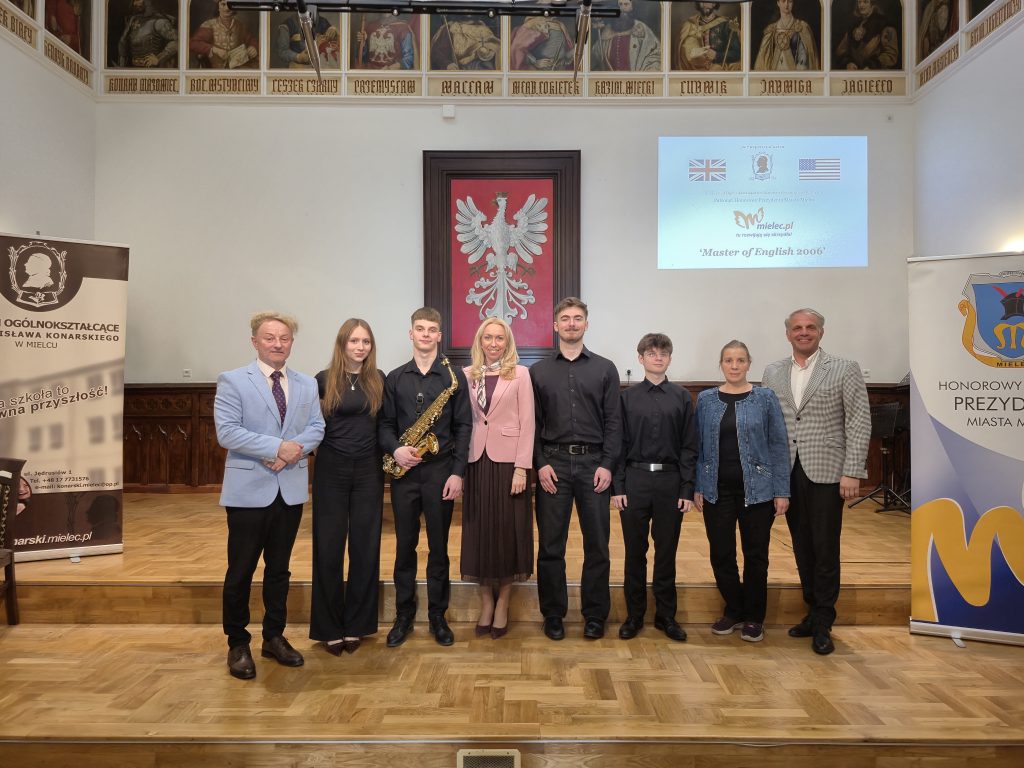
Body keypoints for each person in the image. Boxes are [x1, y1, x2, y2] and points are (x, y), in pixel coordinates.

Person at [214, 311, 324, 680]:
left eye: (284, 338)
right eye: (270, 337)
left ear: (291, 343)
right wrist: (278, 448)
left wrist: (293, 451)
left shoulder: (306, 383)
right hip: (248, 492)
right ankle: (237, 642)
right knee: (241, 570)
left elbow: (317, 427)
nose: (278, 344)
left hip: (289, 490)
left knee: (279, 570)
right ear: (255, 341)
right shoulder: (233, 380)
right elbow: (228, 432)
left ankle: (274, 636)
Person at [762, 309, 870, 655]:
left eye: (811, 327)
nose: (804, 332)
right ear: (788, 334)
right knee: (801, 546)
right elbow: (770, 424)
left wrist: (853, 470)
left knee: (824, 548)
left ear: (821, 332)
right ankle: (812, 611)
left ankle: (824, 622)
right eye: (797, 328)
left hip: (828, 471)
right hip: (788, 472)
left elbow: (859, 421)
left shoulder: (844, 368)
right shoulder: (772, 372)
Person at [380, 307, 472, 647]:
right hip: (405, 473)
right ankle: (404, 615)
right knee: (405, 546)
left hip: (440, 472)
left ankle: (437, 616)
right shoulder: (395, 377)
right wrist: (396, 449)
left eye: (432, 329)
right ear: (411, 333)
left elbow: (464, 427)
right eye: (420, 329)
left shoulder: (453, 377)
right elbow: (384, 424)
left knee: (438, 548)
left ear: (439, 335)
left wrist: (458, 473)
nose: (426, 334)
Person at [531, 297, 621, 641]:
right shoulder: (538, 372)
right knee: (550, 546)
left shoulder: (605, 369)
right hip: (552, 466)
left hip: (593, 466)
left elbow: (614, 422)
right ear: (555, 325)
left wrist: (607, 465)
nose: (571, 323)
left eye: (578, 318)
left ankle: (595, 615)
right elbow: (532, 425)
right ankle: (553, 614)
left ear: (586, 324)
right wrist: (540, 464)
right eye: (566, 318)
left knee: (597, 545)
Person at [694, 340, 790, 643]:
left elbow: (778, 445)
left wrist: (782, 490)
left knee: (755, 556)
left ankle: (754, 617)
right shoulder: (706, 399)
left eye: (740, 360)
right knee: (721, 554)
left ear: (749, 363)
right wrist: (698, 485)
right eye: (728, 360)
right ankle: (734, 609)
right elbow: (698, 447)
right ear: (721, 364)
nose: (734, 366)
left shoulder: (764, 398)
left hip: (758, 492)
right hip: (716, 491)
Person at [611, 333, 697, 642]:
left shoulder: (682, 397)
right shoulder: (626, 398)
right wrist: (618, 486)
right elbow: (618, 444)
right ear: (641, 358)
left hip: (670, 482)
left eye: (663, 353)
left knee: (666, 552)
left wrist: (687, 489)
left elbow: (689, 446)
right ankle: (634, 615)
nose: (658, 357)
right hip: (634, 480)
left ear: (670, 358)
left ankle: (666, 616)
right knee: (635, 551)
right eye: (651, 353)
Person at [309, 319, 385, 656]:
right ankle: (328, 628)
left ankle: (358, 624)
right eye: (354, 341)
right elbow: (312, 426)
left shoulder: (378, 379)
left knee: (365, 547)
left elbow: (384, 425)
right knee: (328, 547)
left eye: (365, 341)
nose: (360, 347)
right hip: (331, 470)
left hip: (369, 470)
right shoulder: (323, 380)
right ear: (342, 344)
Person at [460, 318, 535, 639]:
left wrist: (522, 468)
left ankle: (503, 602)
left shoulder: (520, 374)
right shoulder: (467, 374)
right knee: (479, 533)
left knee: (508, 532)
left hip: (509, 465)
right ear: (480, 341)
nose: (493, 343)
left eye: (499, 338)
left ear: (507, 342)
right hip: (476, 462)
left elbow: (528, 423)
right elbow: (465, 421)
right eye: (488, 337)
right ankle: (486, 602)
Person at [590, 0, 661, 72]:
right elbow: (595, 55)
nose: (622, 8)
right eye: (620, 4)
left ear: (632, 7)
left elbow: (655, 54)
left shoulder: (641, 28)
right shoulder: (607, 30)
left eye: (626, 4)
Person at [189, 0, 258, 69]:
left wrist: (253, 47)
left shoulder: (240, 26)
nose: (227, 8)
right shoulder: (209, 25)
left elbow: (251, 40)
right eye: (223, 4)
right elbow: (192, 43)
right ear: (218, 7)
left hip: (237, 68)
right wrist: (214, 50)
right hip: (215, 69)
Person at [753, 0, 820, 71]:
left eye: (790, 1)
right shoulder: (771, 30)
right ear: (778, 3)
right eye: (783, 1)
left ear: (793, 3)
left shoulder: (802, 28)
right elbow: (763, 61)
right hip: (774, 75)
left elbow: (804, 56)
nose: (786, 5)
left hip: (795, 75)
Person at [833, 0, 899, 70]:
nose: (861, 5)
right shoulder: (853, 26)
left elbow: (891, 54)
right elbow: (841, 50)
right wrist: (848, 63)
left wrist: (872, 65)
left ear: (872, 4)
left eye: (865, 2)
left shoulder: (885, 25)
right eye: (859, 2)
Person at [675, 2, 741, 71]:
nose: (705, 4)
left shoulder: (726, 24)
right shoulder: (690, 25)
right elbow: (682, 52)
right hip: (696, 68)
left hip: (719, 68)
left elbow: (737, 53)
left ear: (714, 4)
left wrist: (716, 55)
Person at [115, 0, 178, 68]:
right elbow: (123, 43)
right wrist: (121, 66)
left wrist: (159, 58)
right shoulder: (133, 20)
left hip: (152, 68)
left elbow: (177, 41)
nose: (135, 3)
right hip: (133, 67)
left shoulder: (159, 21)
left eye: (138, 0)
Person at [273, 9, 339, 69]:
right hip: (297, 69)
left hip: (320, 66)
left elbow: (334, 43)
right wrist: (298, 57)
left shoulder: (322, 21)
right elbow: (282, 51)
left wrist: (333, 30)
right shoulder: (286, 26)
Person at [429, 16, 500, 70]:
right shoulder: (450, 28)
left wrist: (486, 53)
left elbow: (497, 49)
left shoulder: (484, 29)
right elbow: (437, 52)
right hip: (458, 71)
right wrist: (448, 64)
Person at [510, 16, 574, 71]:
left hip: (559, 73)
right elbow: (517, 49)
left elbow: (564, 55)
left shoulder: (560, 25)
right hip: (540, 72)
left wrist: (573, 52)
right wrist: (535, 62)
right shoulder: (533, 23)